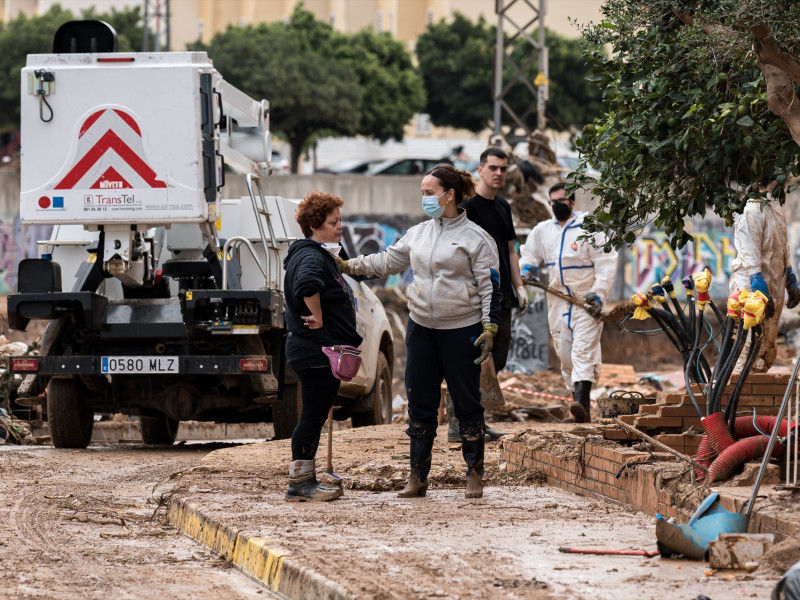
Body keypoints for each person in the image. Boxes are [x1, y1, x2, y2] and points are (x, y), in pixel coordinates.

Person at [339, 164, 502, 499]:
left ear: (449, 194)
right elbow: (386, 262)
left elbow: (491, 287)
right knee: (420, 402)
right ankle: (417, 477)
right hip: (421, 330)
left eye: (429, 193)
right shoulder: (418, 234)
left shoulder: (477, 238)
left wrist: (489, 325)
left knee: (467, 402)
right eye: (423, 193)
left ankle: (474, 474)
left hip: (462, 330)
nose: (424, 198)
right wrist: (348, 265)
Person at [282, 190, 363, 502]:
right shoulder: (311, 256)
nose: (340, 226)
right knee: (313, 415)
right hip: (314, 350)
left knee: (315, 414)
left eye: (340, 220)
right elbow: (306, 285)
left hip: (318, 350)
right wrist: (315, 314)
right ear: (315, 226)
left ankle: (305, 478)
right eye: (333, 222)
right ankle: (300, 483)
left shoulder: (317, 254)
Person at [445, 146, 526, 442]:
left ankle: (476, 420)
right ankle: (458, 423)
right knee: (470, 359)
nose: (499, 173)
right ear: (480, 170)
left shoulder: (503, 206)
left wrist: (519, 287)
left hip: (502, 296)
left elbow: (510, 250)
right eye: (493, 168)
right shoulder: (467, 207)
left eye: (503, 168)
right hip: (475, 296)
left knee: (496, 359)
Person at [519, 182, 618, 423]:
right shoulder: (543, 230)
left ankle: (582, 405)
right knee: (565, 354)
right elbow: (530, 254)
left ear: (572, 202)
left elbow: (606, 263)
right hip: (557, 301)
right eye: (553, 202)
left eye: (561, 201)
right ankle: (577, 404)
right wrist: (528, 269)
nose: (557, 205)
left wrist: (598, 294)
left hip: (586, 302)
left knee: (583, 351)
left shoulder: (590, 228)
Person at [729, 170, 800, 372]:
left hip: (773, 286)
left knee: (766, 353)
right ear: (763, 184)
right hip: (751, 287)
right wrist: (756, 281)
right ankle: (731, 396)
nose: (782, 189)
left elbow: (781, 246)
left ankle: (755, 397)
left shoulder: (775, 209)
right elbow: (749, 249)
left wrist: (790, 277)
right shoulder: (751, 210)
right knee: (746, 349)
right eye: (778, 185)